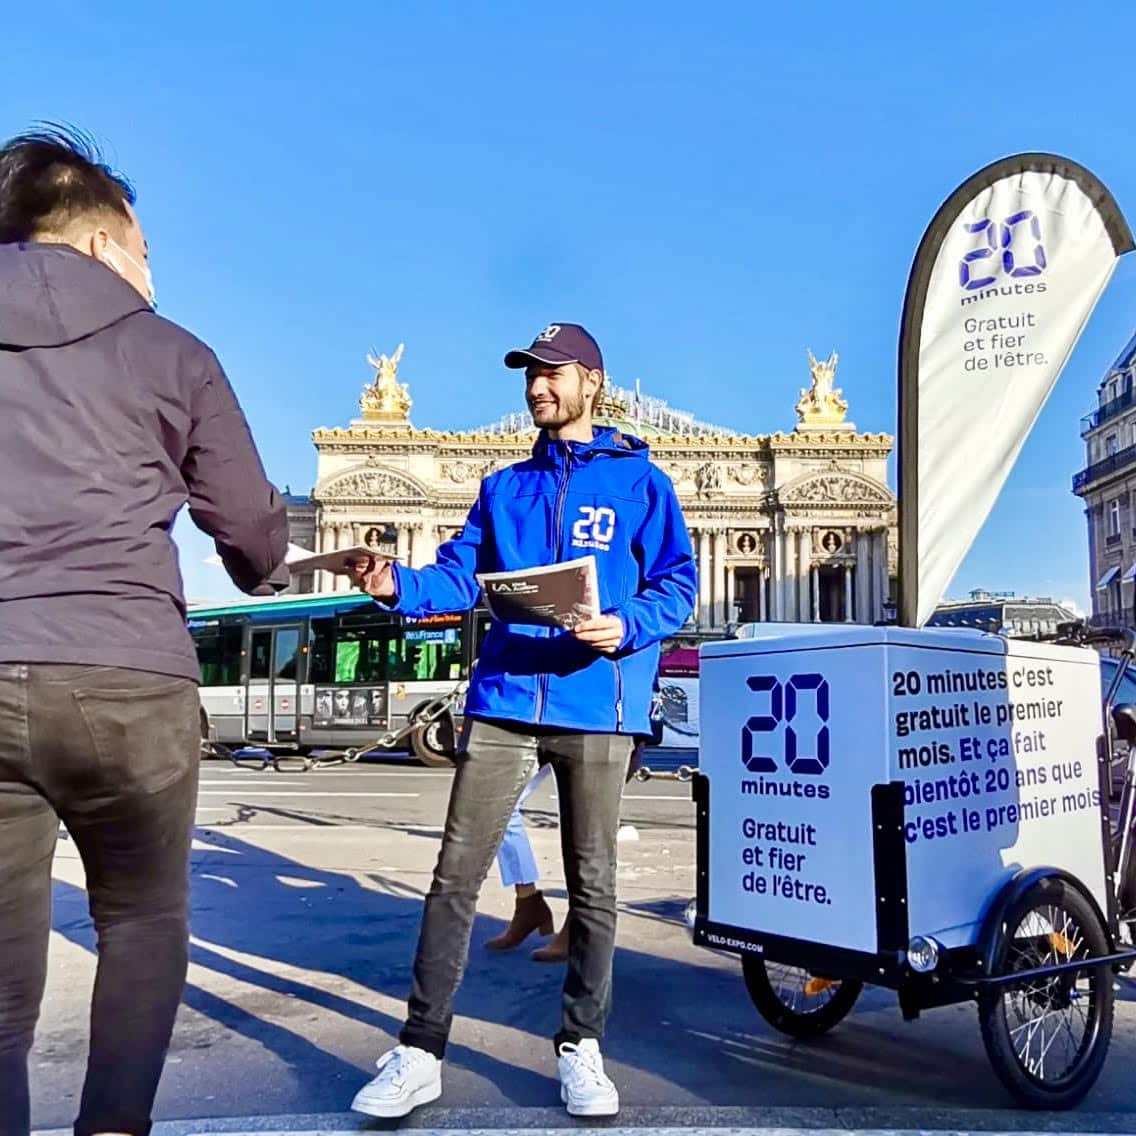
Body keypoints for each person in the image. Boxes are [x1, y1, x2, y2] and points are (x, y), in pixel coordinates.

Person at [0, 127, 288, 1136]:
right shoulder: (172, 350)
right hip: (125, 670)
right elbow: (252, 537)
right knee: (140, 918)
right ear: (98, 239)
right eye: (145, 247)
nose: (150, 268)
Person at [347, 322, 697, 1119]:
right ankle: (420, 1048)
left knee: (594, 881)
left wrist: (628, 624)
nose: (537, 388)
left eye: (552, 374)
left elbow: (678, 581)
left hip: (594, 699)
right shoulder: (504, 486)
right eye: (529, 376)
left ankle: (581, 1046)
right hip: (505, 697)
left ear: (591, 383)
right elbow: (457, 576)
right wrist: (393, 583)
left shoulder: (643, 484)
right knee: (454, 875)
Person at [484, 763, 569, 961]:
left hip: (589, 734)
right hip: (537, 732)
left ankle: (580, 918)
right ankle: (528, 902)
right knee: (501, 804)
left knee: (581, 812)